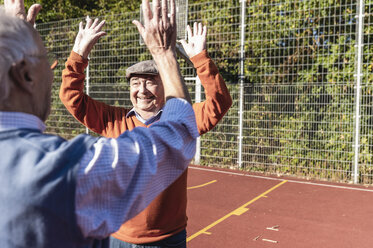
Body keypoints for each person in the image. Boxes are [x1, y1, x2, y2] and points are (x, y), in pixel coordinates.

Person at [0, 0, 198, 247]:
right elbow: (180, 132)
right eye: (47, 61)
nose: (51, 72)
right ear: (24, 74)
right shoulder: (64, 169)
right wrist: (164, 53)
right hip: (121, 236)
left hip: (169, 236)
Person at [60, 7, 233, 247]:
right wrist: (79, 54)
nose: (142, 90)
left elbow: (220, 102)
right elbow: (71, 97)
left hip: (167, 239)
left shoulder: (181, 120)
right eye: (136, 83)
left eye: (151, 82)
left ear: (165, 86)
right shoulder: (114, 120)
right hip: (117, 236)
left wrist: (200, 59)